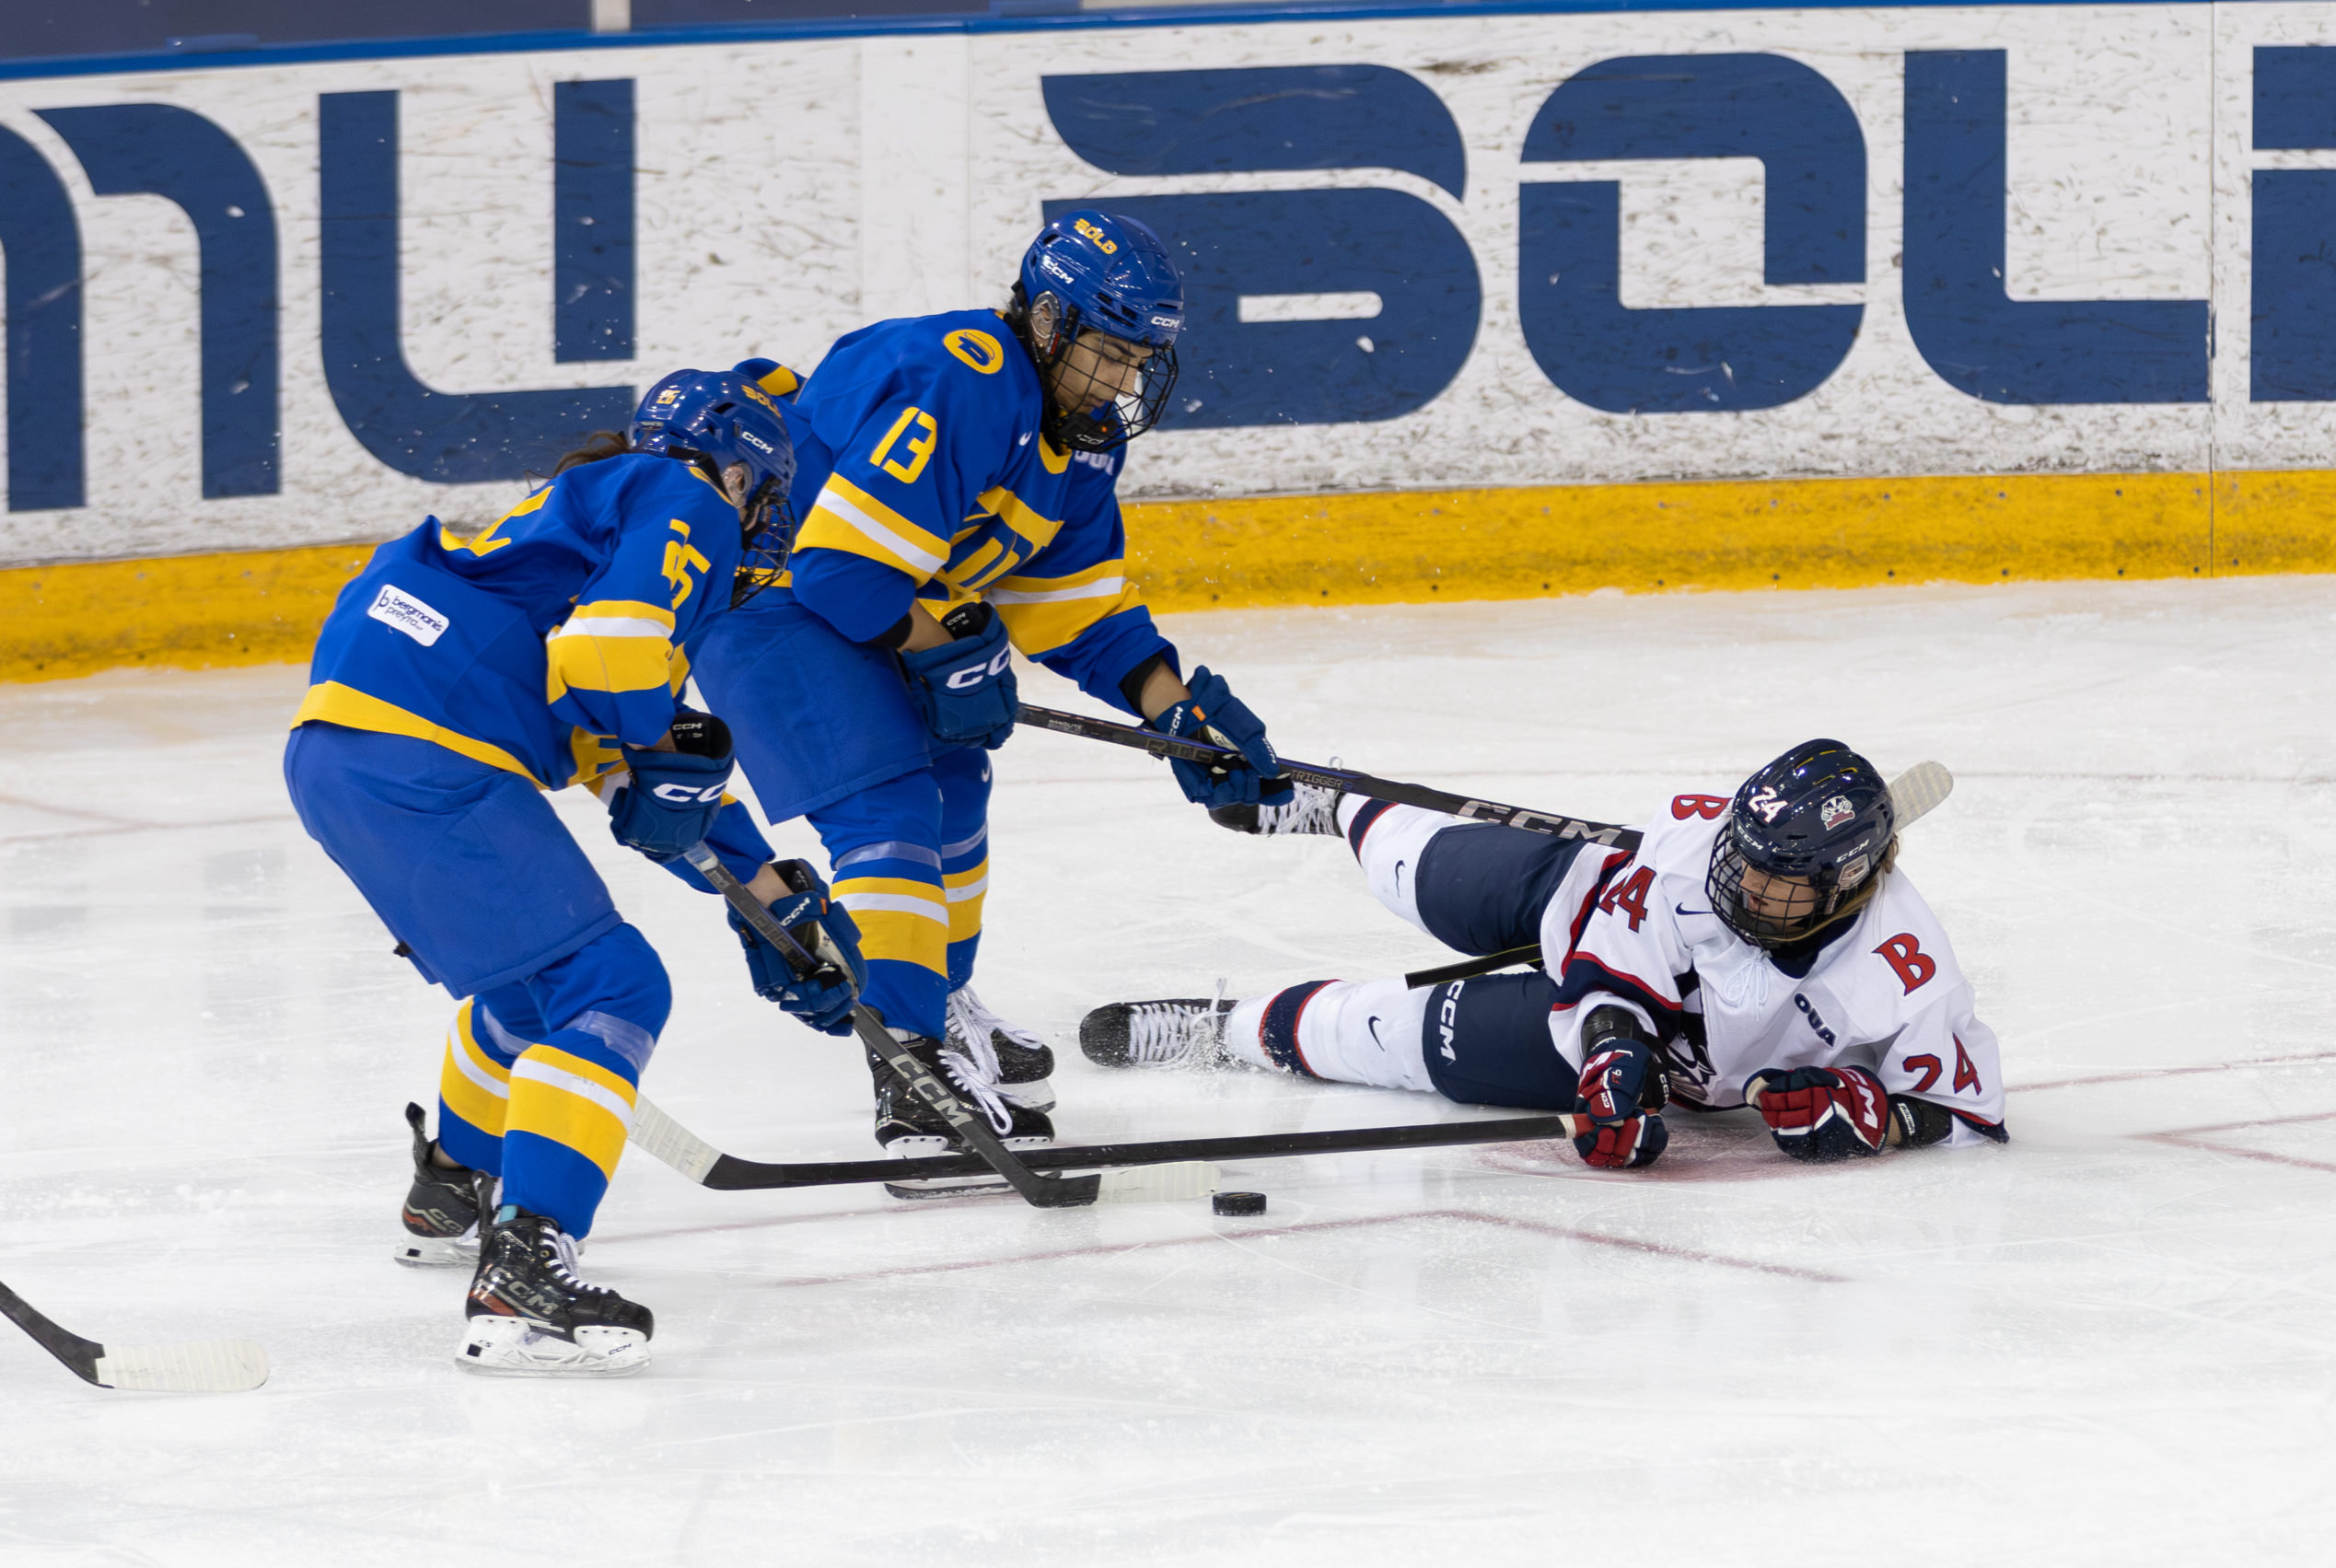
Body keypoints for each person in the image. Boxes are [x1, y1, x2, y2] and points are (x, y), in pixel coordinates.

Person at [690, 209, 1290, 1184]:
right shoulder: (960, 378)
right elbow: (840, 574)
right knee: (887, 810)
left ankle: (932, 999)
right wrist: (943, 651)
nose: (1126, 381)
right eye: (1110, 351)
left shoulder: (1084, 440)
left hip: (872, 605)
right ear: (1048, 322)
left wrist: (1175, 711)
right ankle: (911, 1076)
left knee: (955, 788)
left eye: (1141, 359)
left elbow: (1071, 612)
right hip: (769, 602)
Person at [285, 369, 866, 1376]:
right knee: (611, 985)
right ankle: (525, 1264)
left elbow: (622, 757)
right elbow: (619, 681)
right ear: (737, 472)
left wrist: (765, 902)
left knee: (532, 983)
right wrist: (673, 742)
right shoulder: (683, 493)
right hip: (428, 757)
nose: (768, 522)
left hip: (343, 749)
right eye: (768, 495)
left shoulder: (584, 530)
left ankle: (453, 1186)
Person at [1080, 739, 2006, 1167]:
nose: (1746, 889)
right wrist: (1611, 1046)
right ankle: (1335, 805)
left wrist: (1879, 1118)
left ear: (1845, 884)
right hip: (1580, 904)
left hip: (1678, 1072)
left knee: (1397, 1038)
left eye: (1778, 883)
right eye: (1745, 862)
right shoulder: (1695, 839)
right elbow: (1617, 950)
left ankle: (1226, 1028)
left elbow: (1969, 1114)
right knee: (1425, 869)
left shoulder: (1906, 973)